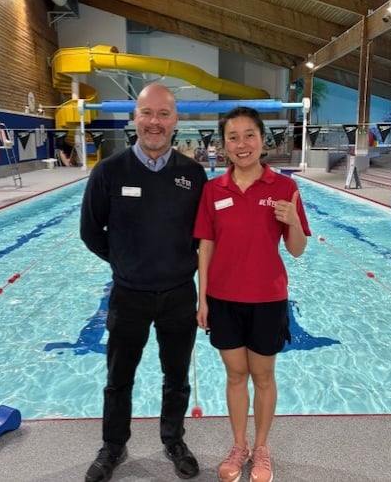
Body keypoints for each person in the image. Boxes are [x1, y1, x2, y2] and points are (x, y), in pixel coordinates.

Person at [80, 83, 208, 482]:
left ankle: (173, 440)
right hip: (128, 295)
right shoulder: (109, 171)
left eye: (164, 114)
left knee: (177, 377)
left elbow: (203, 236)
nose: (155, 122)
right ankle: (113, 446)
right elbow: (90, 231)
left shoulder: (193, 174)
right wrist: (125, 263)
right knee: (119, 378)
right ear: (135, 118)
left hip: (178, 295)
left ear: (176, 121)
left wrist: (181, 265)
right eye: (147, 113)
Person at [194, 106, 311, 482]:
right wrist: (203, 297)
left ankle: (261, 449)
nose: (241, 144)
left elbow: (296, 250)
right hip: (225, 299)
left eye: (249, 135)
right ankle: (239, 445)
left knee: (263, 375)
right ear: (224, 144)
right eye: (233, 137)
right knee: (235, 374)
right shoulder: (214, 190)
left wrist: (293, 222)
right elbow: (206, 245)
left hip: (267, 297)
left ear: (262, 140)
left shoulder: (284, 188)